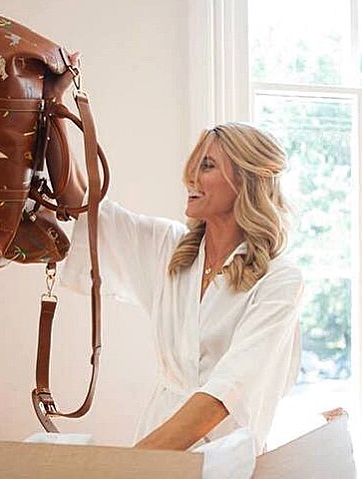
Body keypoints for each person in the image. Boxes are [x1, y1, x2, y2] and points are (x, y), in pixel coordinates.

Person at [60, 116, 303, 454]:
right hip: (158, 439)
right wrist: (52, 109)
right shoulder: (168, 248)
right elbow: (81, 205)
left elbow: (227, 392)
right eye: (193, 165)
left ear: (245, 180)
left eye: (207, 166)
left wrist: (131, 466)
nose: (190, 178)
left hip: (223, 456)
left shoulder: (279, 281)